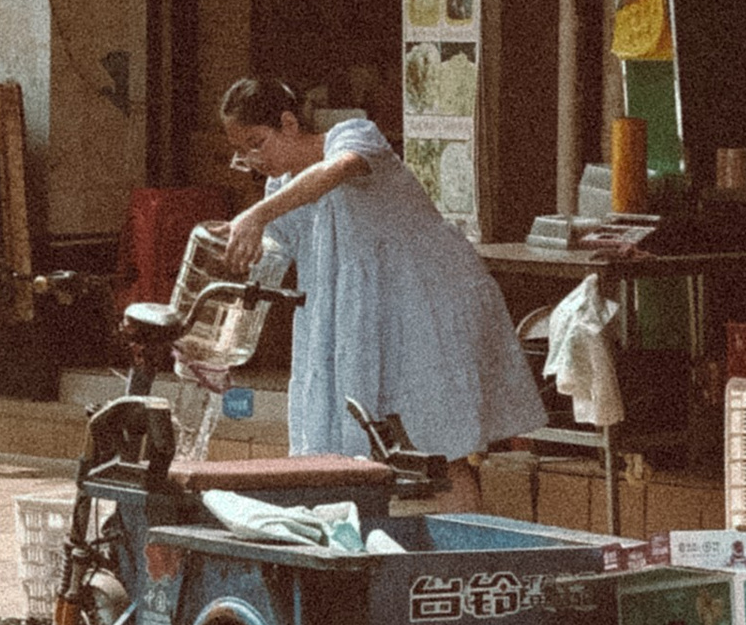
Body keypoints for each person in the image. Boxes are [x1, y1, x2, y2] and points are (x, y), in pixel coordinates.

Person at [217, 75, 542, 500]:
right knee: (357, 450)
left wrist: (257, 214)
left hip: (422, 309)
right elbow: (264, 264)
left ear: (289, 124)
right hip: (363, 324)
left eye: (256, 143)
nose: (252, 160)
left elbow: (338, 170)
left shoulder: (353, 136)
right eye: (241, 153)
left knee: (438, 448)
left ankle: (462, 547)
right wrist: (218, 343)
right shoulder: (282, 191)